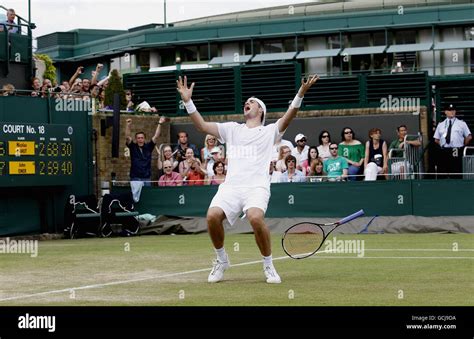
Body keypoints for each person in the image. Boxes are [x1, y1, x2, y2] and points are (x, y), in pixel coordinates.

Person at [176, 74, 319, 284]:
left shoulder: (270, 131)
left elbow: (290, 115)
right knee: (212, 216)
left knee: (254, 217)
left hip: (256, 187)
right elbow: (202, 126)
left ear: (260, 110)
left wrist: (300, 93)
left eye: (252, 102)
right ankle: (222, 260)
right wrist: (188, 101)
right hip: (231, 187)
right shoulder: (232, 129)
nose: (247, 103)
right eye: (246, 102)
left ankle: (268, 265)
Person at [125, 116, 166, 201]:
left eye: (142, 138)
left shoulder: (148, 146)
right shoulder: (133, 147)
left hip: (146, 177)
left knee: (147, 197)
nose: (140, 139)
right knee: (135, 198)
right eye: (138, 138)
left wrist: (160, 123)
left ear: (144, 139)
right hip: (135, 177)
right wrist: (128, 125)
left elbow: (156, 136)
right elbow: (127, 137)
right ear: (136, 139)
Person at [434, 104, 472, 179]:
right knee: (443, 171)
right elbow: (436, 139)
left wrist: (462, 145)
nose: (452, 112)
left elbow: (469, 137)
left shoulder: (461, 123)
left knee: (456, 172)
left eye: (453, 110)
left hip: (456, 150)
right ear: (445, 112)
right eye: (449, 110)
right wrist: (442, 145)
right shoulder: (441, 124)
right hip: (444, 150)